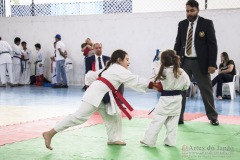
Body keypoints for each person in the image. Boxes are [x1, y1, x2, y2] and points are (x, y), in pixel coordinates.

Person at [42, 49, 163, 150]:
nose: (129, 62)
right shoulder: (118, 69)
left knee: (114, 115)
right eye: (127, 59)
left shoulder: (110, 68)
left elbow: (90, 75)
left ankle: (114, 138)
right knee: (78, 117)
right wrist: (152, 85)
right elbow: (134, 80)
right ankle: (50, 133)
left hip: (102, 96)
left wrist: (90, 85)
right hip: (95, 95)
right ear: (119, 60)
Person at [174, 0, 219, 125]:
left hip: (201, 63)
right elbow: (178, 44)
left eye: (192, 11)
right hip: (185, 62)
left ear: (197, 10)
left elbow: (212, 45)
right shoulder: (182, 24)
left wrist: (212, 64)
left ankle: (213, 117)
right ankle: (179, 117)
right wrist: (175, 61)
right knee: (181, 90)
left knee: (206, 90)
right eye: (187, 11)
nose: (189, 13)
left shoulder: (206, 23)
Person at [141, 50, 190, 147]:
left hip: (165, 100)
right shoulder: (181, 72)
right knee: (173, 122)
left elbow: (153, 79)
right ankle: (170, 142)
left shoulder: (162, 71)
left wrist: (157, 61)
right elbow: (187, 85)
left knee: (157, 120)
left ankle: (149, 140)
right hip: (177, 99)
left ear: (163, 61)